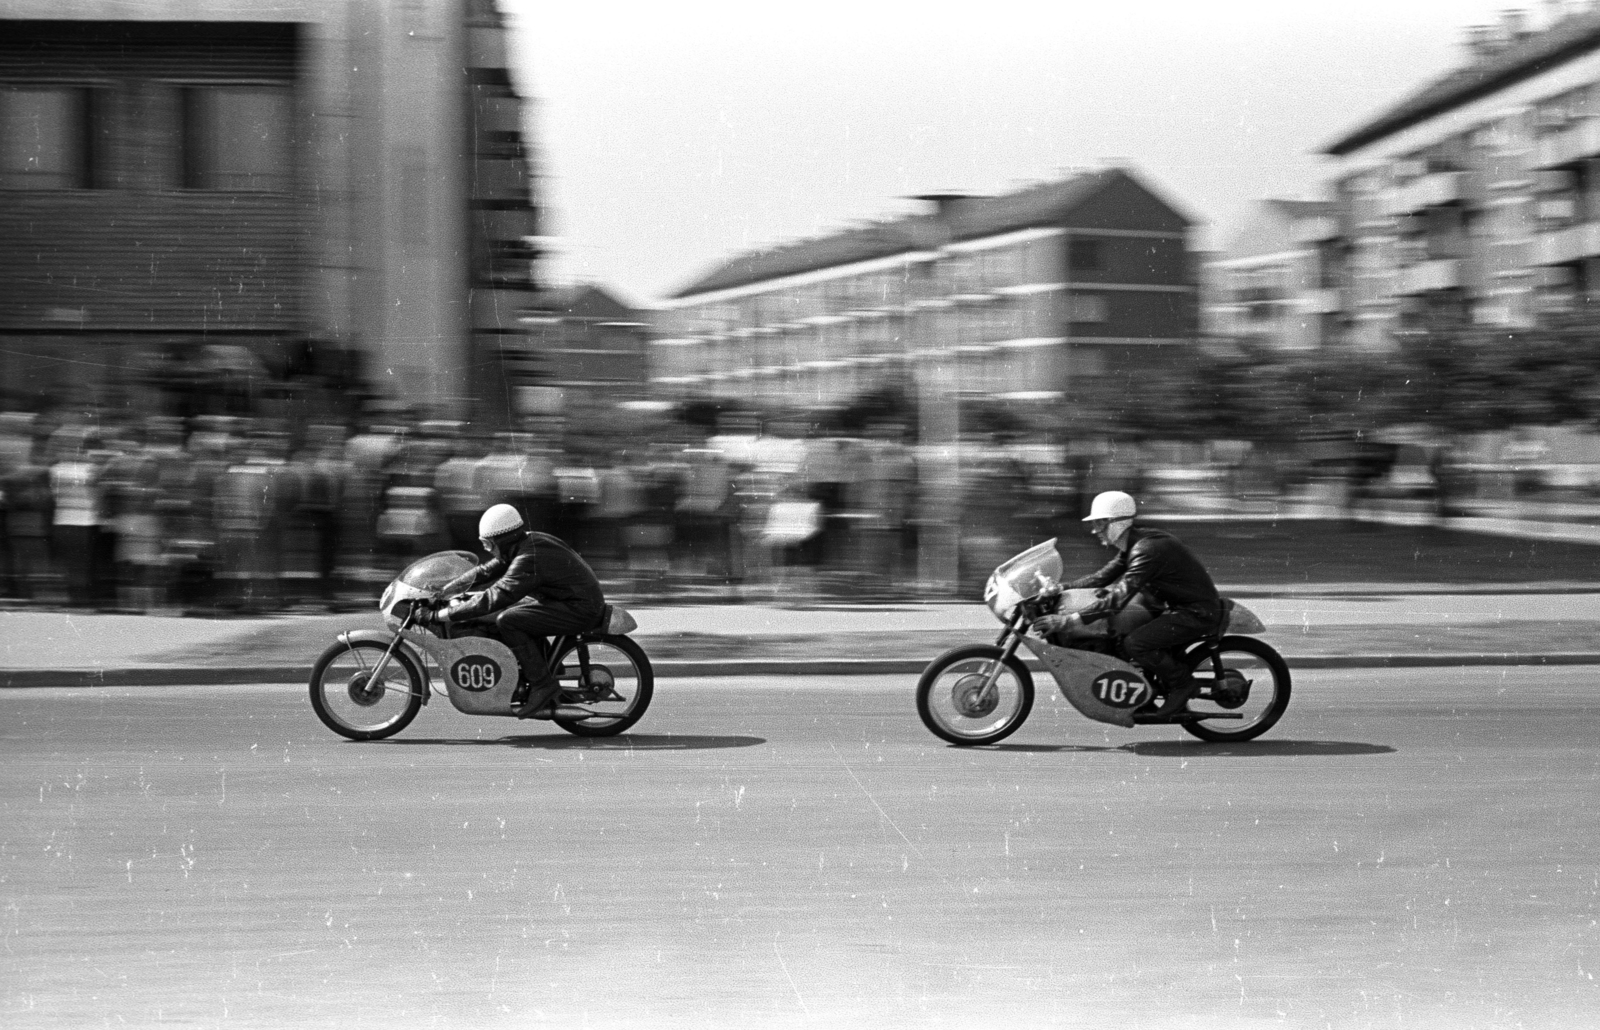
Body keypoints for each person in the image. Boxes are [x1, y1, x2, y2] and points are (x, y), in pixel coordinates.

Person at [1032, 490, 1222, 717]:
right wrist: (1060, 588)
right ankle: (1144, 690)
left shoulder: (1146, 550)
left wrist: (1067, 621)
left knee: (1136, 643)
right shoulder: (1134, 544)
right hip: (1173, 606)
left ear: (1117, 522)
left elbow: (1118, 599)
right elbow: (1100, 578)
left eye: (1100, 523)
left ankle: (1182, 684)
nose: (1095, 530)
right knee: (1120, 633)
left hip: (1195, 612)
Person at [422, 503, 606, 719]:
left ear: (502, 540)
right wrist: (446, 589)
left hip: (580, 609)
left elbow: (495, 596)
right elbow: (485, 572)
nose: (487, 549)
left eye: (488, 544)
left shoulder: (529, 557)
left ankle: (543, 684)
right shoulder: (525, 544)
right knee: (516, 611)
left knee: (508, 620)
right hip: (570, 602)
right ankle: (540, 668)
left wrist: (439, 615)